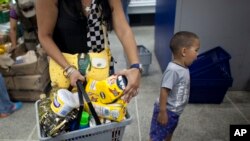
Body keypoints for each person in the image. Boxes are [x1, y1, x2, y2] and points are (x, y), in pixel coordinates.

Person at [36, 0, 142, 103]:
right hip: (66, 75)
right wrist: (69, 70)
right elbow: (44, 36)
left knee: (105, 116)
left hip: (101, 70)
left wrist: (135, 67)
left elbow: (123, 29)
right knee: (69, 117)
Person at [149, 31, 200, 141]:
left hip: (175, 112)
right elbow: (164, 90)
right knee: (156, 137)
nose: (197, 55)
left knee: (168, 133)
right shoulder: (173, 70)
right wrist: (162, 112)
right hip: (167, 111)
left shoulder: (184, 68)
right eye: (196, 50)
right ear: (184, 51)